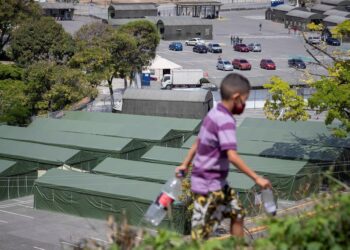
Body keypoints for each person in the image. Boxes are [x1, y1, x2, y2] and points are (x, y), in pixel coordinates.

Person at [175, 73, 271, 240]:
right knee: (202, 235)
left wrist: (185, 164)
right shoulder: (225, 120)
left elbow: (197, 144)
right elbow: (232, 155)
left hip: (217, 183)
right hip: (208, 185)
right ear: (236, 97)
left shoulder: (212, 114)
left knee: (237, 214)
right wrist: (257, 178)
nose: (244, 104)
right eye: (244, 100)